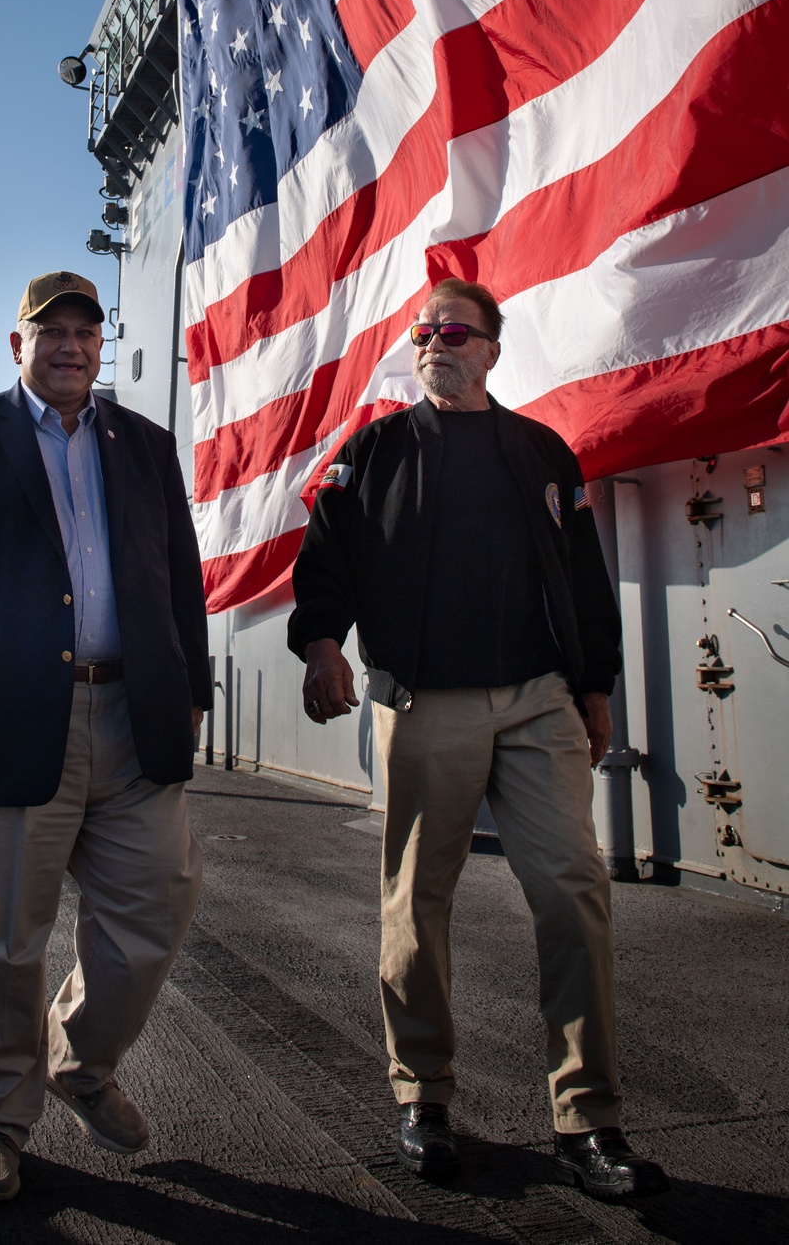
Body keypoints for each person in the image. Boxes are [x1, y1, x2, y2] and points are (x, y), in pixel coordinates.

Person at [287, 277, 668, 1202]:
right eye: (423, 333)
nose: (435, 343)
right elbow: (325, 558)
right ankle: (424, 1098)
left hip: (539, 701)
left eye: (455, 331)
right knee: (417, 904)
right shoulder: (371, 451)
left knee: (575, 892)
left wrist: (594, 685)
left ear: (492, 349)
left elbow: (582, 576)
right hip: (427, 703)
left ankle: (589, 1119)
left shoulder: (542, 454)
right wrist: (323, 645)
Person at [0, 270, 211, 1204]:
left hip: (135, 715)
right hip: (8, 717)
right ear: (15, 345)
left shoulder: (145, 446)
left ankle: (80, 1061)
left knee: (157, 907)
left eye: (86, 333)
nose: (70, 346)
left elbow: (178, 573)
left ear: (103, 348)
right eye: (50, 331)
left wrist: (194, 687)